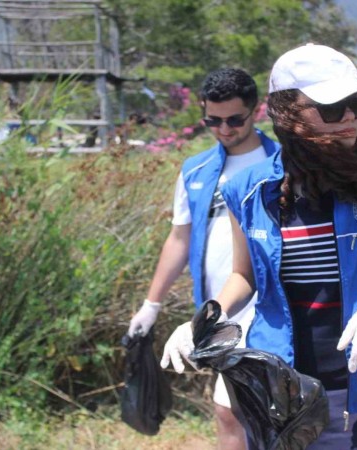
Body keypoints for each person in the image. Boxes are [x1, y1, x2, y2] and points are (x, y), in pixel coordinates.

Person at [160, 44, 357, 449]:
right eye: (329, 107)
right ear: (287, 111)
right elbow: (244, 275)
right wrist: (205, 318)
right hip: (278, 387)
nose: (346, 118)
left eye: (356, 105)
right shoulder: (249, 189)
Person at [127, 68, 279, 450]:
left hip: (275, 309)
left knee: (275, 410)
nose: (224, 129)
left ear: (255, 111)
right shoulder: (196, 170)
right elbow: (180, 238)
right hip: (221, 311)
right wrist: (151, 305)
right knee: (228, 411)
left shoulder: (283, 163)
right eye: (213, 120)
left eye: (234, 119)